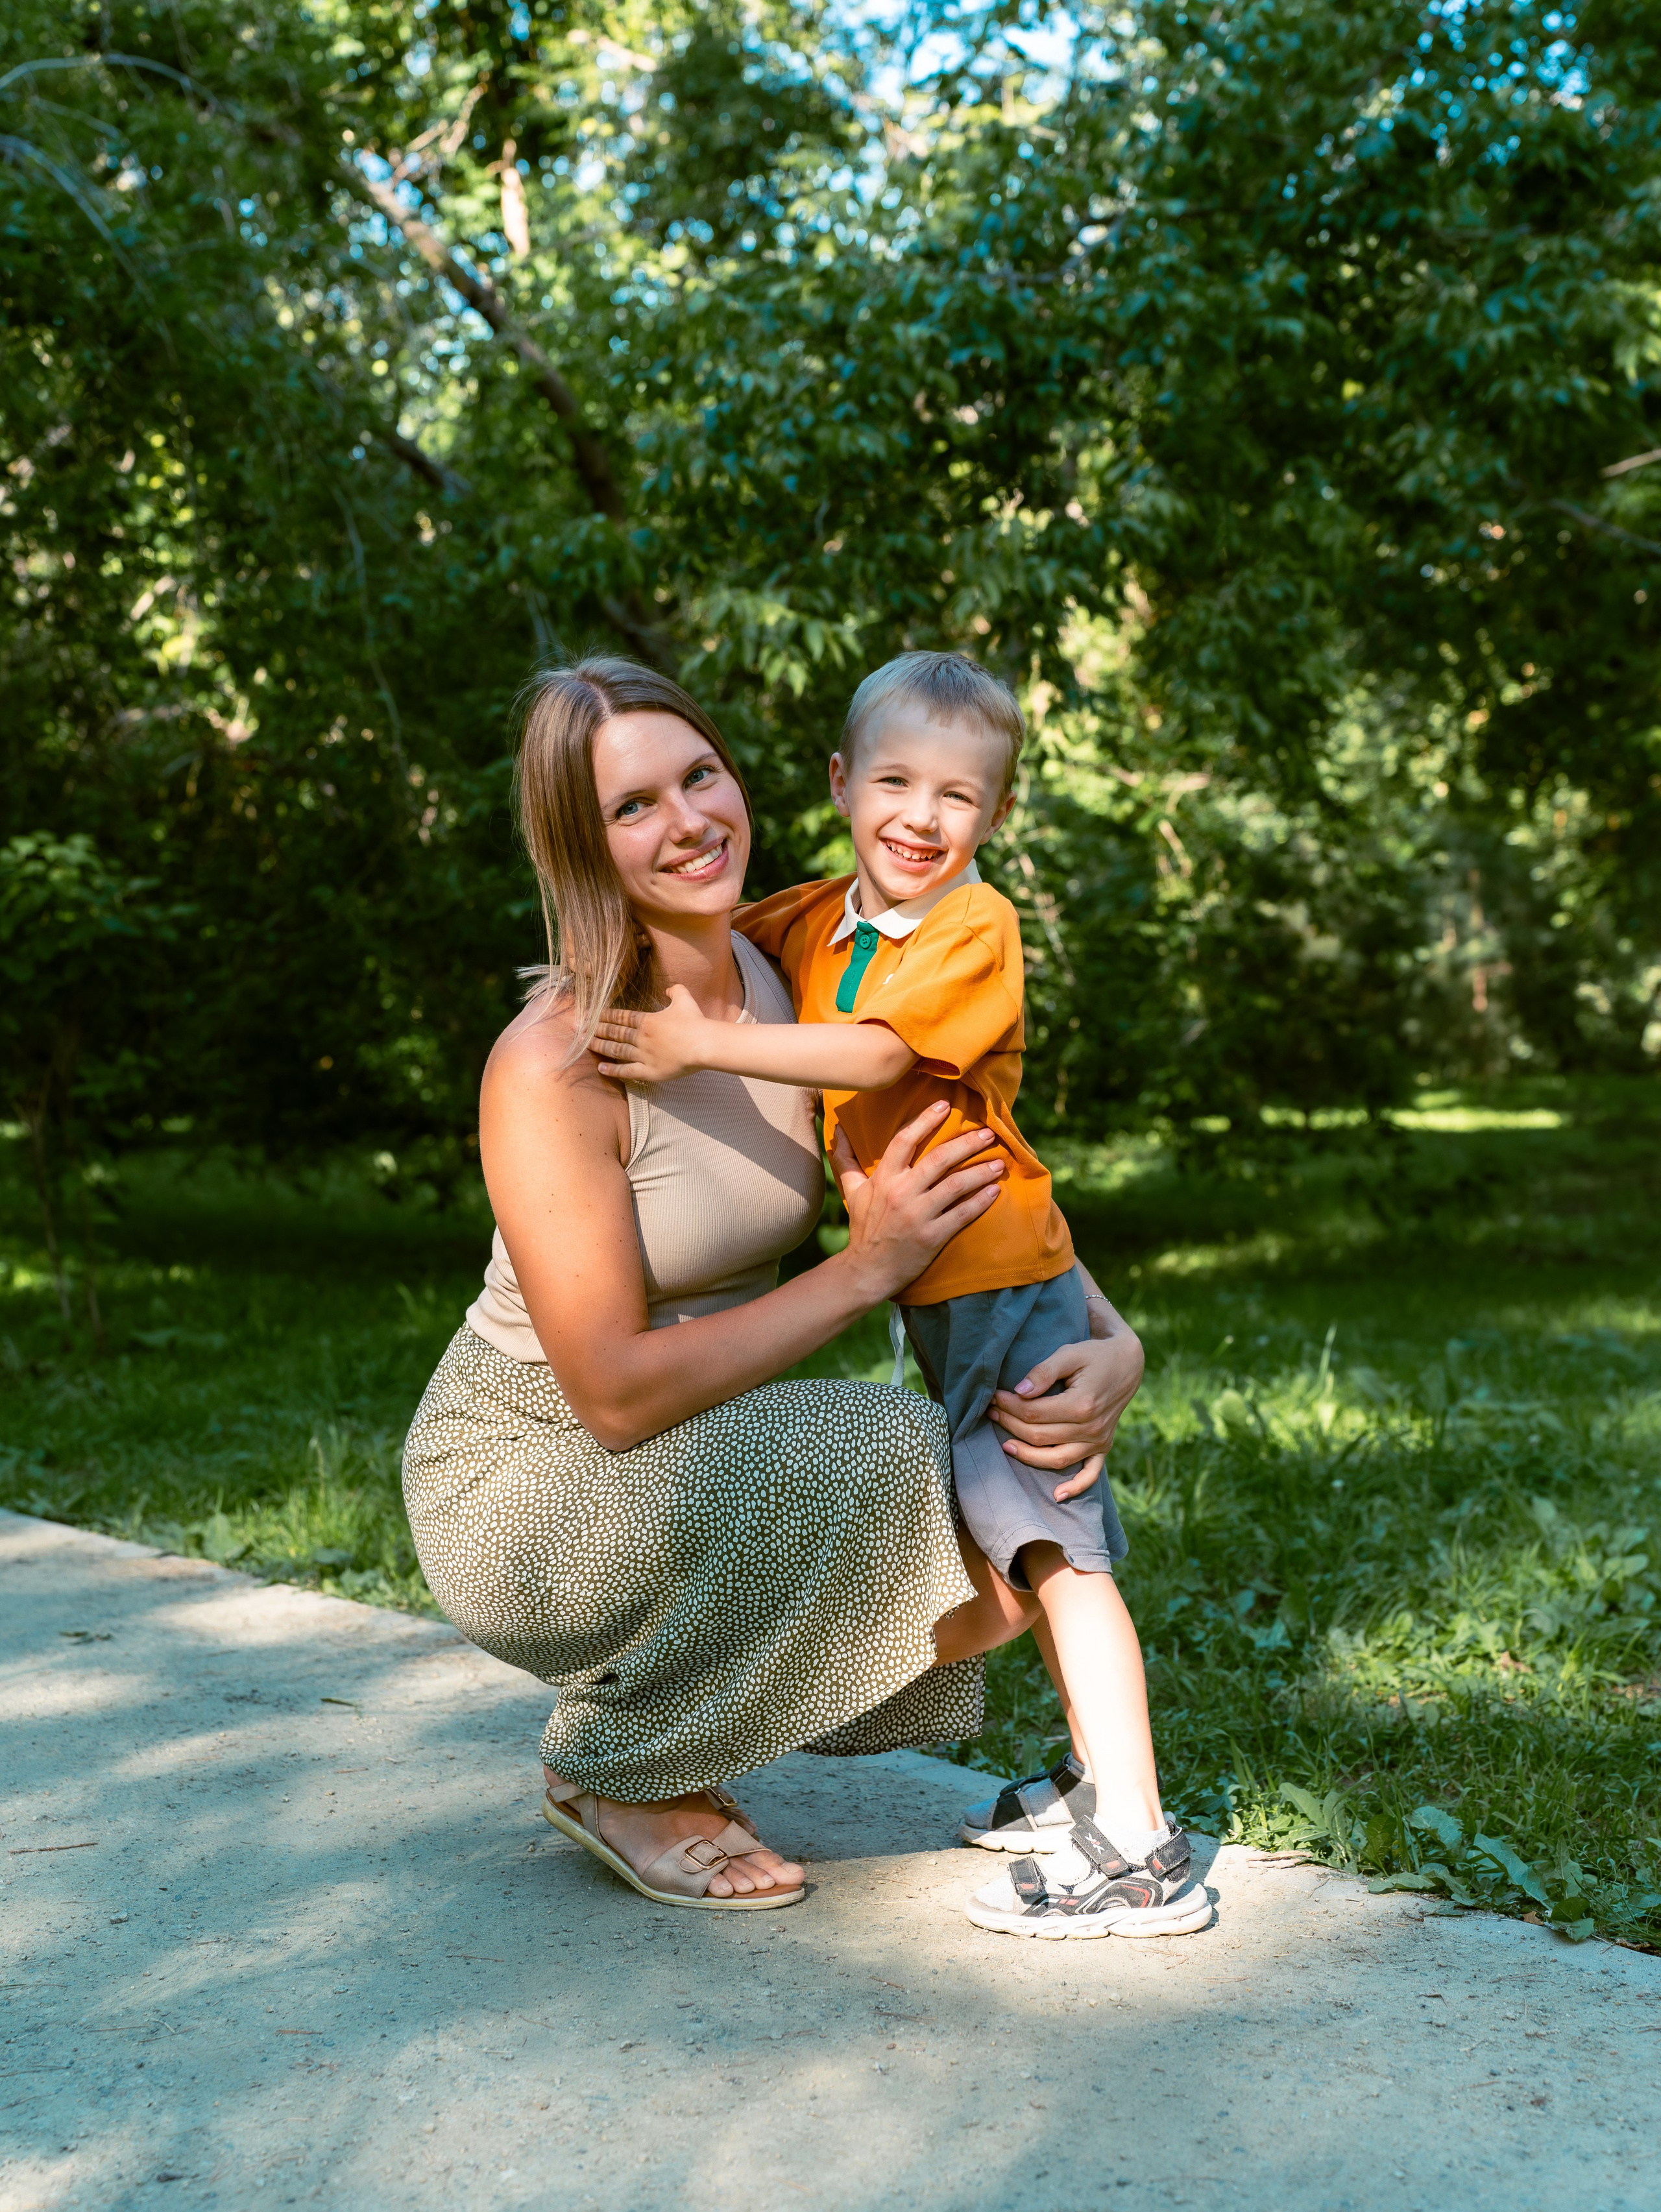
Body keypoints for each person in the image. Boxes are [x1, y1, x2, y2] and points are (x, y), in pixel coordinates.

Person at [402, 655, 1146, 1916]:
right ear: (578, 842)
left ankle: (650, 1715)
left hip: (700, 1444)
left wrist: (1110, 1340)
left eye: (699, 774)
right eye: (632, 805)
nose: (686, 819)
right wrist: (868, 1272)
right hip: (527, 1475)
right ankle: (621, 1770)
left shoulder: (790, 969)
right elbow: (616, 1395)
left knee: (999, 1528)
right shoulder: (555, 1064)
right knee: (894, 1448)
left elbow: (979, 1144)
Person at [594, 651, 1209, 1938]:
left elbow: (874, 1051)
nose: (921, 818)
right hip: (950, 1292)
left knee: (1055, 1547)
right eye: (894, 782)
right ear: (838, 782)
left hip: (1001, 1286)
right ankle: (1100, 1781)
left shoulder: (971, 930)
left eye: (957, 796)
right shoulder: (824, 917)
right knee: (1028, 1545)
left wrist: (697, 1043)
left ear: (992, 816)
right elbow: (703, 931)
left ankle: (1136, 1844)